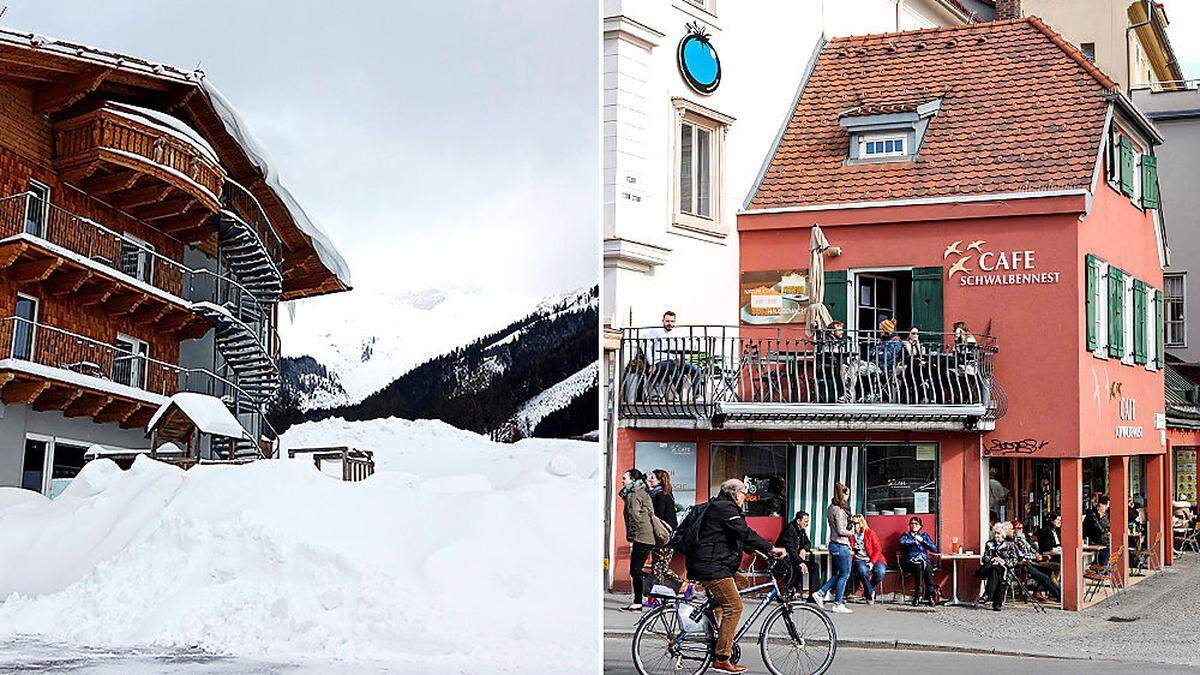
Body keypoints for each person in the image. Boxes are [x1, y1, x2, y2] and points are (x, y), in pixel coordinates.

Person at [686, 479, 786, 674]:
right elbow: (745, 532)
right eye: (744, 493)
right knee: (735, 606)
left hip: (717, 564)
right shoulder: (725, 508)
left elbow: (735, 536)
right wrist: (771, 549)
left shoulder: (724, 507)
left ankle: (717, 617)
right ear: (734, 493)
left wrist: (759, 551)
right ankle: (722, 657)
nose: (745, 497)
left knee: (742, 582)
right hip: (712, 567)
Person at [813, 482, 855, 614]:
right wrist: (854, 532)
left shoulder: (830, 507)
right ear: (843, 494)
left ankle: (820, 593)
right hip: (841, 544)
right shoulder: (840, 510)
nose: (848, 497)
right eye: (847, 494)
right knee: (845, 574)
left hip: (833, 544)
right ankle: (837, 604)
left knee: (839, 573)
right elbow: (842, 530)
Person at [642, 310, 702, 400]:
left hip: (673, 361)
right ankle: (679, 394)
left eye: (672, 321)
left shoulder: (677, 333)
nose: (669, 323)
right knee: (674, 367)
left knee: (696, 369)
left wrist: (679, 358)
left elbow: (679, 349)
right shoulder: (655, 332)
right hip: (660, 362)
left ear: (675, 322)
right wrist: (652, 363)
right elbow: (646, 347)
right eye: (667, 321)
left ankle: (696, 396)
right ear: (663, 321)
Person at [620, 469, 656, 611]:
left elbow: (634, 516)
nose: (622, 481)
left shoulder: (634, 494)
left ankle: (640, 599)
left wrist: (631, 535)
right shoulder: (640, 490)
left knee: (635, 570)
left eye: (624, 478)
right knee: (636, 570)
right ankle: (639, 600)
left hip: (642, 536)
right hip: (645, 536)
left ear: (632, 480)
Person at [647, 469, 687, 593]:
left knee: (659, 568)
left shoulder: (660, 496)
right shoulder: (665, 494)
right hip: (666, 535)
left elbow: (657, 517)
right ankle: (657, 595)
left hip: (664, 537)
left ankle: (682, 585)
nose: (650, 480)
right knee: (658, 568)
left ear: (659, 481)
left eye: (652, 478)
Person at [1011, 520, 1061, 602]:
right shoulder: (1015, 541)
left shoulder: (1022, 539)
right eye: (1018, 528)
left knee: (1051, 570)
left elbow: (1031, 550)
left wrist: (1038, 555)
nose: (1021, 530)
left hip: (1034, 562)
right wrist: (1035, 557)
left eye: (1022, 528)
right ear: (1013, 530)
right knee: (1045, 576)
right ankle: (1059, 596)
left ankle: (1040, 591)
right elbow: (1020, 555)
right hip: (1026, 564)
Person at [776, 510, 820, 599]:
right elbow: (790, 549)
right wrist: (800, 562)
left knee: (814, 566)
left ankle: (814, 595)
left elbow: (808, 543)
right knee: (798, 567)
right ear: (798, 521)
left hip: (795, 558)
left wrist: (803, 549)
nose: (807, 524)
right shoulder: (790, 529)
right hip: (785, 559)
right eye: (805, 521)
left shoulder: (801, 531)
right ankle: (791, 591)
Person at [975, 523, 1017, 611]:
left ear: (1003, 535)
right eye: (996, 533)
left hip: (1005, 569)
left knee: (998, 571)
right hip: (989, 568)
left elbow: (1014, 559)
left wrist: (1003, 561)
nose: (996, 535)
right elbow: (984, 558)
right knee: (996, 570)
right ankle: (997, 603)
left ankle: (987, 595)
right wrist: (993, 559)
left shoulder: (1010, 545)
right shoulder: (989, 544)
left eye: (998, 533)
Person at [898, 516, 939, 606]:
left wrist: (923, 541)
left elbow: (934, 549)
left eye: (916, 524)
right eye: (912, 523)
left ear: (920, 526)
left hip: (924, 561)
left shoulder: (924, 535)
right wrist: (914, 540)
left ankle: (929, 595)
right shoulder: (906, 535)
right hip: (910, 562)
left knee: (925, 567)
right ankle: (917, 595)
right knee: (919, 566)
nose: (913, 525)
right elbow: (902, 542)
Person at [849, 514, 887, 605]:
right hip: (860, 559)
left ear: (861, 523)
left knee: (880, 572)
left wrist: (872, 563)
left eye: (855, 523)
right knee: (862, 571)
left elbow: (878, 549)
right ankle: (870, 593)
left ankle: (867, 590)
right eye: (852, 523)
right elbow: (850, 548)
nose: (853, 525)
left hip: (875, 558)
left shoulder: (870, 533)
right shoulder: (851, 535)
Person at [901, 326, 931, 403]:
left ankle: (927, 385)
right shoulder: (905, 344)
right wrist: (918, 361)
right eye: (913, 333)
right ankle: (923, 385)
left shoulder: (918, 345)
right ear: (909, 334)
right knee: (916, 369)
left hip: (918, 368)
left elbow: (922, 356)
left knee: (931, 367)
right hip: (908, 368)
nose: (915, 335)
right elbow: (909, 357)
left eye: (917, 334)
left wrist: (918, 346)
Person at [1083, 495, 1112, 565]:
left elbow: (1108, 525)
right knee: (1107, 546)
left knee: (1110, 544)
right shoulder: (1092, 514)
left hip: (1102, 538)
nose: (1107, 507)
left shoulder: (1105, 514)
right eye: (1106, 505)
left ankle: (1101, 568)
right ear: (1100, 505)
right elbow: (1097, 527)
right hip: (1092, 539)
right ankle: (1101, 569)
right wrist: (1105, 532)